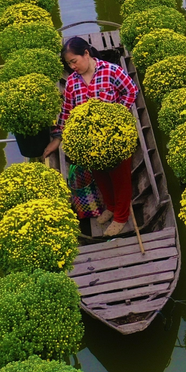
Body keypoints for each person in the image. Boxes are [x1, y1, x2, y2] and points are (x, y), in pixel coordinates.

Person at [45, 37, 139, 237]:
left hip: (115, 138)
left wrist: (116, 117)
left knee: (120, 177)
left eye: (74, 61)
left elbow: (131, 91)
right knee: (100, 176)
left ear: (86, 53)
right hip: (90, 144)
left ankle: (121, 217)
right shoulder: (72, 82)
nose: (72, 66)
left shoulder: (111, 71)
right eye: (69, 64)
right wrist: (57, 138)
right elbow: (67, 111)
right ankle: (111, 207)